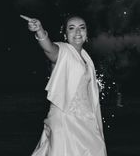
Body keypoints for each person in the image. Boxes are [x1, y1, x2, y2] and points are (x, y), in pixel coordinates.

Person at [23, 14, 107, 156]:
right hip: (65, 119)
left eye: (82, 28)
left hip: (86, 120)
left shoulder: (86, 58)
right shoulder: (63, 51)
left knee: (97, 149)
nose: (78, 32)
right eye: (72, 28)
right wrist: (40, 31)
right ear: (65, 34)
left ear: (87, 33)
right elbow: (49, 49)